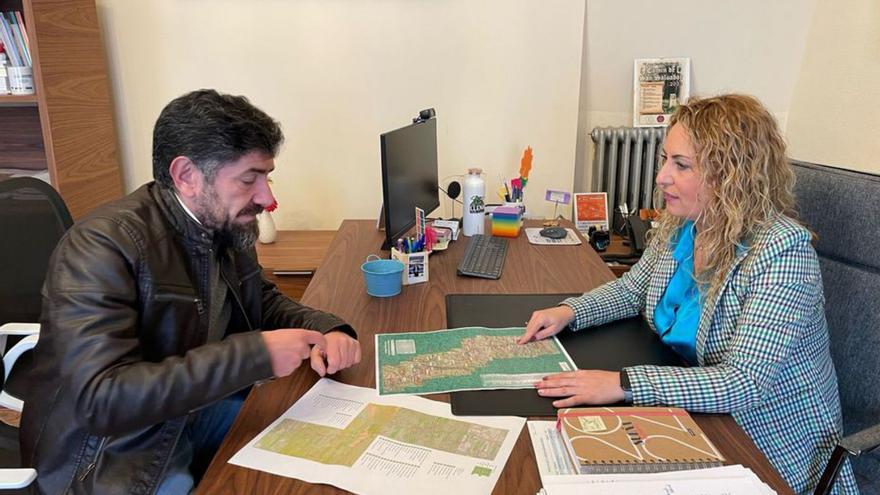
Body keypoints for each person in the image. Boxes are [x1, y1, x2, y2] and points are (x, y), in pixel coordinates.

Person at [20, 89, 361, 494]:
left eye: (267, 178)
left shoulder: (220, 225)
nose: (268, 198)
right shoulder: (103, 246)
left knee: (319, 442)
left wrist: (327, 329)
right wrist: (255, 355)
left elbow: (262, 299)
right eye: (249, 179)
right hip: (112, 453)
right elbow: (100, 400)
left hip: (191, 410)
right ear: (186, 176)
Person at [518, 94, 858, 494]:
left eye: (681, 165)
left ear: (732, 174)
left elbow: (744, 382)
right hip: (688, 408)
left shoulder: (783, 252)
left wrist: (623, 383)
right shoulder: (686, 223)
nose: (661, 177)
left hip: (763, 443)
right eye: (666, 159)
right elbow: (633, 290)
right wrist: (570, 312)